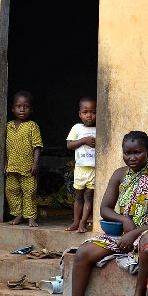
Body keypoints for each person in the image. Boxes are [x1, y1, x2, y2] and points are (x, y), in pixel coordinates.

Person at [50, 131, 148, 296]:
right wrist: (123, 219)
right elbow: (105, 208)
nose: (132, 157)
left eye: (138, 152)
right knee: (83, 253)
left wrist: (135, 232)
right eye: (127, 153)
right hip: (123, 232)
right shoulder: (119, 174)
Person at [5, 90, 43, 227]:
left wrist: (35, 163)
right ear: (13, 108)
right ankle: (18, 215)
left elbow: (37, 146)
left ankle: (31, 217)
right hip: (11, 167)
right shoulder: (8, 126)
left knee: (29, 191)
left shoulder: (32, 126)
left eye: (26, 106)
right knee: (11, 190)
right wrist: (5, 163)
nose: (22, 109)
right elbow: (3, 147)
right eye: (18, 106)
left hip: (28, 167)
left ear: (31, 109)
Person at [65, 96, 97, 233]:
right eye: (85, 112)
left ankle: (83, 222)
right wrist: (84, 140)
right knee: (78, 196)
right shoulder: (77, 128)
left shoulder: (99, 129)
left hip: (94, 170)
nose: (89, 115)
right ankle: (76, 222)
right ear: (80, 114)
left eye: (93, 112)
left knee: (89, 196)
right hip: (80, 169)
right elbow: (69, 145)